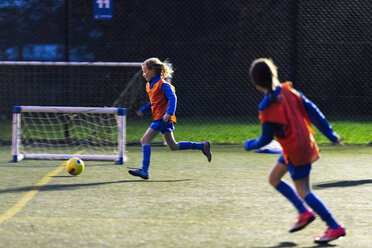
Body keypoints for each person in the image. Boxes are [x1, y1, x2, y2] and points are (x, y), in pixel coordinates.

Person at [244, 58, 346, 244]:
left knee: (304, 191)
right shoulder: (289, 91)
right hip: (301, 144)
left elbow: (265, 139)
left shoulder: (266, 108)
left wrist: (250, 144)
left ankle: (333, 226)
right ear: (274, 73)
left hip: (296, 150)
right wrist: (331, 134)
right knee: (274, 178)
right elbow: (313, 111)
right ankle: (303, 212)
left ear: (255, 82)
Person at [128, 57, 211, 180]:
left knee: (144, 140)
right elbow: (153, 102)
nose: (143, 74)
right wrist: (143, 110)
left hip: (162, 118)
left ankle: (144, 170)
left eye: (145, 71)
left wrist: (169, 113)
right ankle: (202, 146)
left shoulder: (163, 84)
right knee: (173, 146)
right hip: (161, 118)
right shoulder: (149, 85)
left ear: (152, 71)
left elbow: (173, 97)